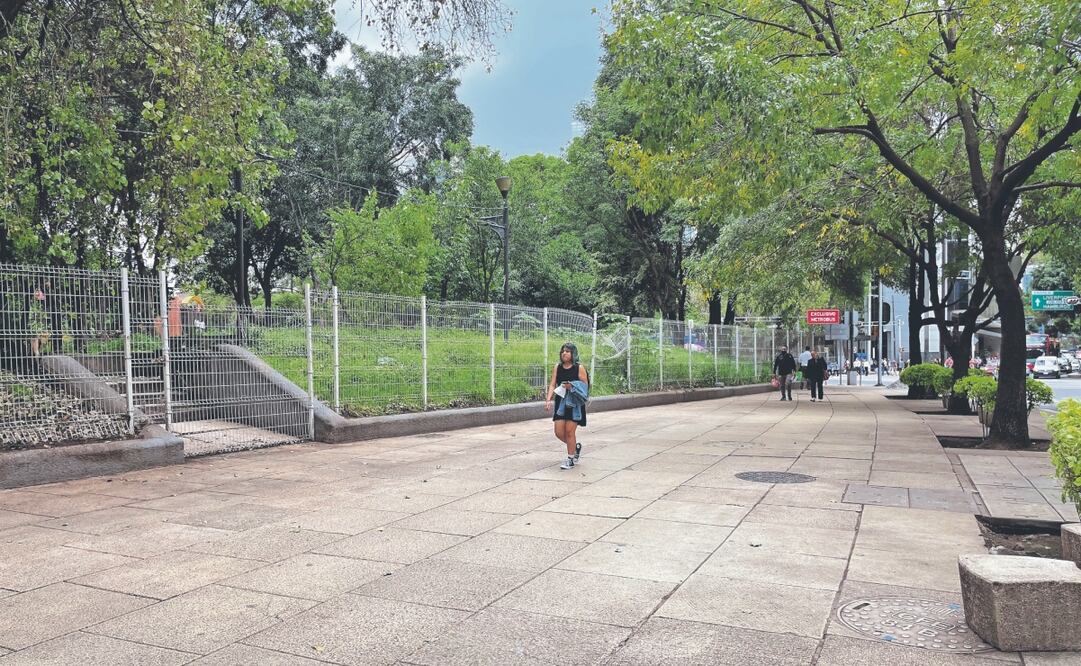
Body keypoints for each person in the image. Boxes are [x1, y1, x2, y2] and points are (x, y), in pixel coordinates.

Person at [545, 342, 589, 470]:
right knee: (559, 432)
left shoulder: (579, 368)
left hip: (574, 403)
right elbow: (553, 384)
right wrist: (548, 399)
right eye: (563, 351)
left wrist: (572, 386)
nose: (564, 353)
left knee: (570, 432)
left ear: (573, 354)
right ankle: (575, 447)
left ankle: (570, 458)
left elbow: (585, 386)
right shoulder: (557, 367)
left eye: (568, 351)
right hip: (561, 402)